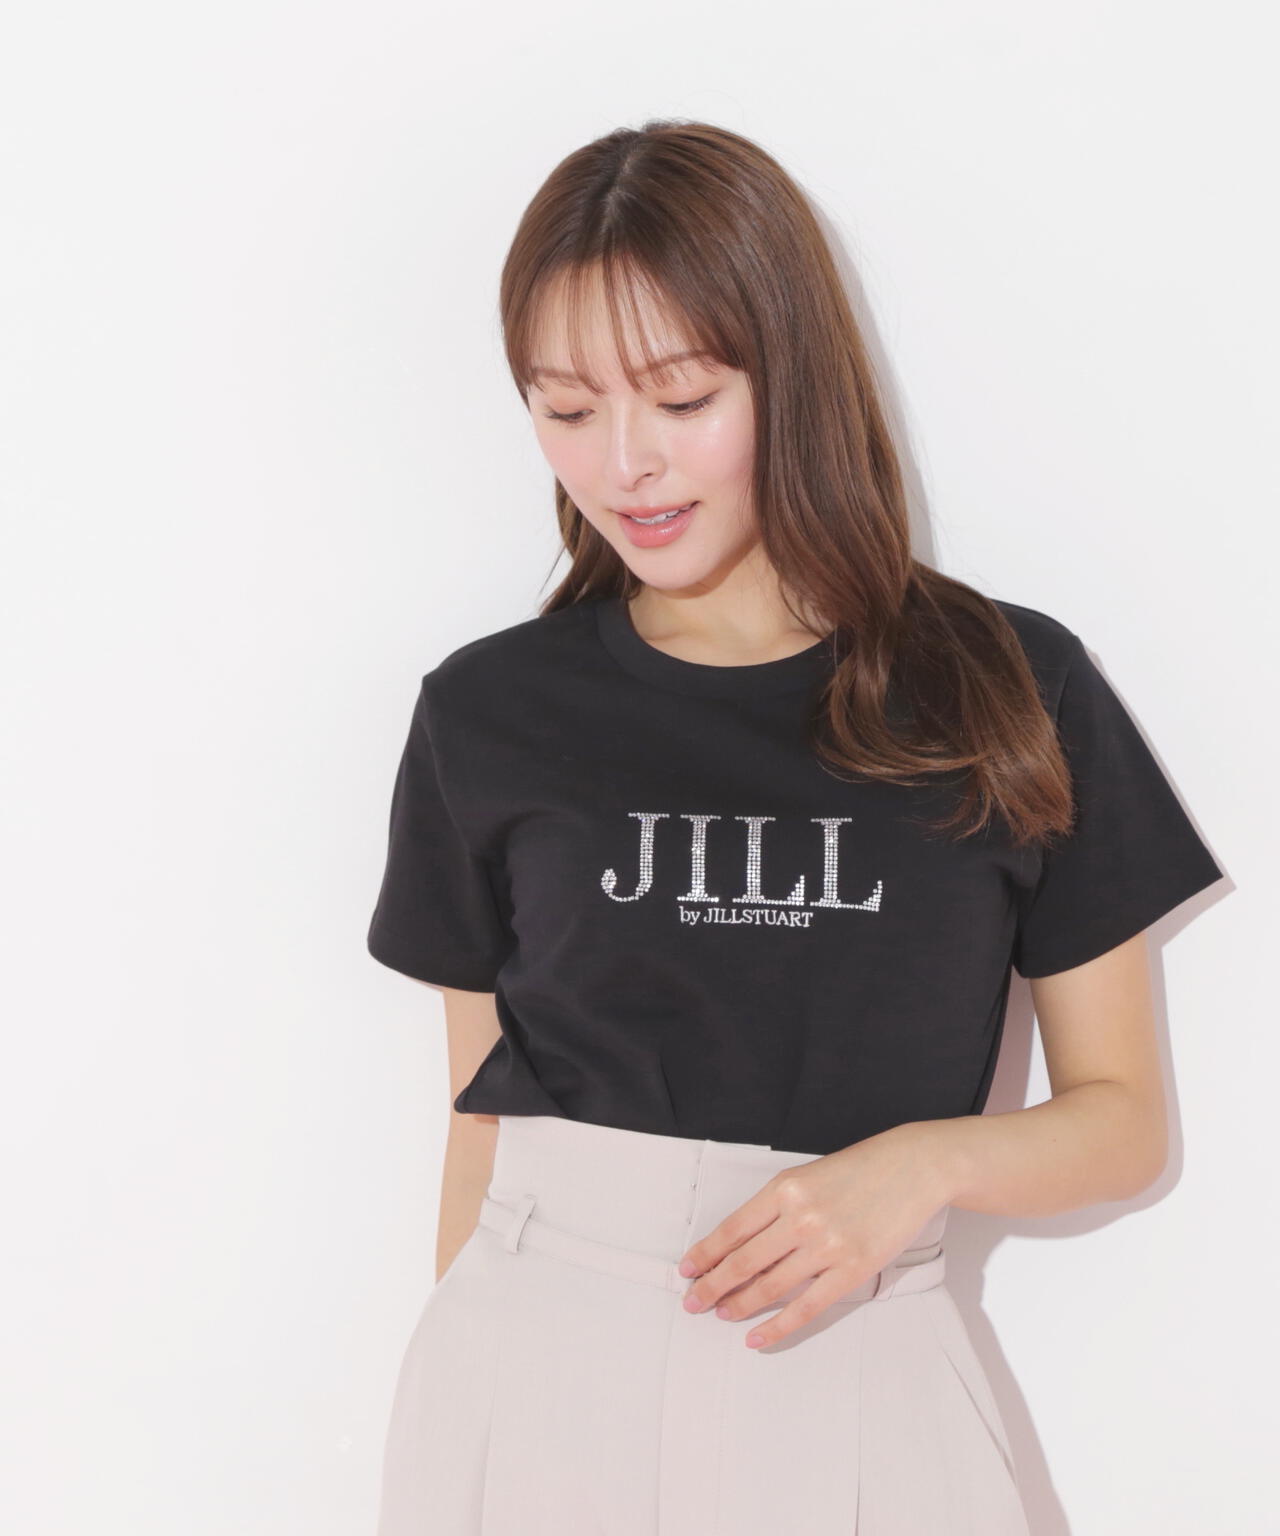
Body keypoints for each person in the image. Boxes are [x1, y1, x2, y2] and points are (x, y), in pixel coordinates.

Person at [364, 120, 1224, 1535]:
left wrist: (922, 1165)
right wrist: (461, 1392)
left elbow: (1124, 1122)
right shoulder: (491, 709)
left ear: (793, 373)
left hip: (861, 1347)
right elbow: (480, 1126)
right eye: (566, 409)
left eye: (681, 397)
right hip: (539, 1363)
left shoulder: (1011, 683)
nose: (624, 463)